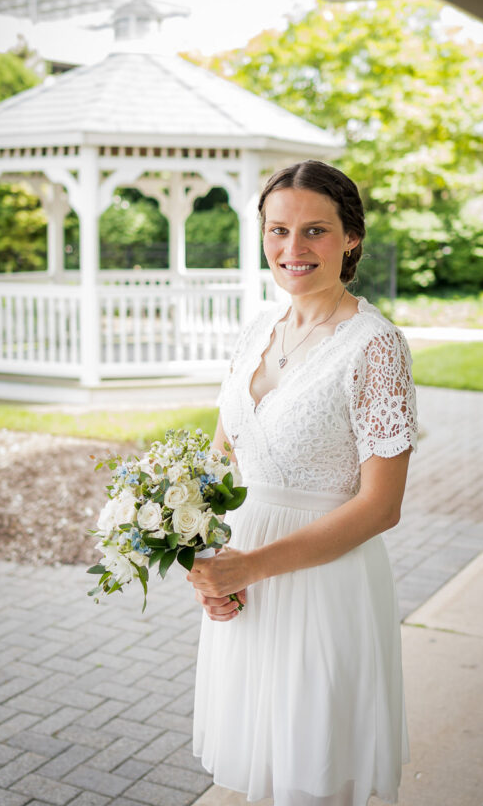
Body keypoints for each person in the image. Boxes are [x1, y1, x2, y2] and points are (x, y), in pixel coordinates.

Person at [188, 159, 418, 806]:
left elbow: (380, 507)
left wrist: (248, 566)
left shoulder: (375, 347)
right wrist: (199, 555)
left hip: (322, 583)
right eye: (277, 230)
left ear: (350, 238)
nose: (292, 250)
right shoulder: (256, 328)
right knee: (262, 767)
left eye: (314, 231)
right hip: (240, 581)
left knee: (314, 774)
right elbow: (222, 452)